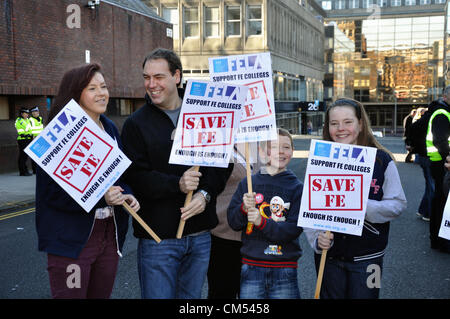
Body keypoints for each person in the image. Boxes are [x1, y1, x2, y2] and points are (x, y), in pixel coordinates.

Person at [121, 48, 232, 299]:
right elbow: (135, 176)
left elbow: (222, 164)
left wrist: (204, 194)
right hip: (157, 238)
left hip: (201, 235)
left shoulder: (205, 111)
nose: (151, 84)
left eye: (158, 77)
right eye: (146, 77)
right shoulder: (135, 124)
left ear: (177, 76)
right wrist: (178, 185)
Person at [35, 63, 140, 298]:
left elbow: (119, 175)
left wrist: (127, 193)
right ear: (76, 93)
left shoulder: (110, 128)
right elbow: (51, 193)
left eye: (103, 86)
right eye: (92, 88)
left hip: (109, 234)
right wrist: (101, 197)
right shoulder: (57, 133)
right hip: (72, 238)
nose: (101, 93)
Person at [304, 98, 407, 299]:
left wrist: (359, 206)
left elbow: (398, 204)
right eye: (334, 123)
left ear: (360, 124)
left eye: (348, 122)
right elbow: (310, 210)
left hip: (370, 258)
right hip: (329, 257)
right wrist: (316, 240)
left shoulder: (381, 160)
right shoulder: (320, 160)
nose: (341, 128)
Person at [227, 128, 303, 299]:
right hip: (252, 266)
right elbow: (233, 222)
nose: (281, 152)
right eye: (274, 147)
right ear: (261, 151)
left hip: (285, 268)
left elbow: (293, 229)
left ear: (292, 151)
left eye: (286, 147)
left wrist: (262, 222)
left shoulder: (297, 188)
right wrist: (243, 209)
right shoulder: (248, 183)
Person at [207, 144, 259, 299]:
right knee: (222, 292)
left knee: (252, 294)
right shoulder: (218, 145)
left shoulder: (257, 145)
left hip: (254, 235)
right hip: (223, 233)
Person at [424, 86, 450, 253]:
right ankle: (438, 240)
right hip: (442, 163)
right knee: (440, 203)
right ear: (445, 96)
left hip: (440, 162)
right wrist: (448, 156)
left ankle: (438, 239)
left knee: (439, 201)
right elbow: (440, 141)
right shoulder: (442, 113)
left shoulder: (443, 111)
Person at [409, 107, 433, 222]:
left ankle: (423, 210)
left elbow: (411, 130)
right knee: (432, 186)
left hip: (424, 154)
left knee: (430, 185)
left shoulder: (424, 119)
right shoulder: (432, 117)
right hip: (429, 155)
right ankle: (428, 213)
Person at [15, 108, 33, 176]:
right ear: (22, 113)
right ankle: (22, 172)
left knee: (25, 156)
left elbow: (30, 129)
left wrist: (31, 134)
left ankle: (25, 170)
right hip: (22, 139)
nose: (27, 115)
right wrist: (26, 134)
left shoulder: (28, 120)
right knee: (23, 156)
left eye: (27, 113)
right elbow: (19, 130)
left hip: (28, 139)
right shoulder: (19, 120)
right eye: (25, 113)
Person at [29, 106, 44, 174]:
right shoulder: (30, 120)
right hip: (34, 139)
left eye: (36, 112)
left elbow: (42, 128)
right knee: (34, 155)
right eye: (33, 112)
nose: (35, 113)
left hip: (41, 139)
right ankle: (35, 170)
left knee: (41, 155)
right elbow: (29, 129)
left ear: (38, 112)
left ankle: (40, 169)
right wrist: (32, 136)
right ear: (32, 113)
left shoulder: (40, 118)